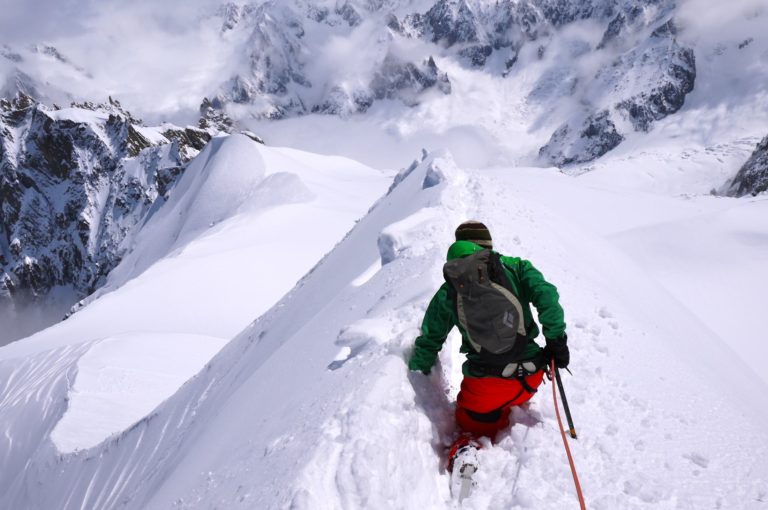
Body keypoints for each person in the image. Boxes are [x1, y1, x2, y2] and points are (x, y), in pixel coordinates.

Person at [408, 220, 569, 470]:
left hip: (484, 391)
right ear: (488, 246)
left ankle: (466, 450)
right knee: (509, 402)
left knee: (467, 425)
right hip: (530, 377)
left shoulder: (450, 288)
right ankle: (510, 413)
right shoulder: (517, 268)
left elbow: (430, 339)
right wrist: (556, 341)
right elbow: (547, 296)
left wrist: (417, 372)